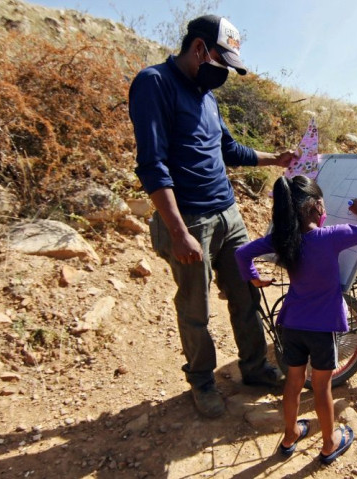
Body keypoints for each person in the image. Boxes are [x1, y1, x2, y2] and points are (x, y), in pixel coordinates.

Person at [128, 14, 296, 418]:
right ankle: (202, 381)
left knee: (245, 294)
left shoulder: (207, 95)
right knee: (195, 309)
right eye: (223, 63)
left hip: (228, 214)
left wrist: (275, 158)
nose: (225, 74)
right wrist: (177, 230)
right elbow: (152, 165)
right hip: (189, 221)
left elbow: (228, 148)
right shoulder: (154, 83)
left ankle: (254, 368)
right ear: (201, 48)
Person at [235, 175, 357, 464]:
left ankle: (290, 435)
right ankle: (329, 443)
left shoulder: (281, 240)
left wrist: (253, 280)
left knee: (293, 382)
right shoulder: (330, 237)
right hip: (323, 326)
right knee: (321, 387)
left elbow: (242, 253)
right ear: (317, 205)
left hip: (291, 323)